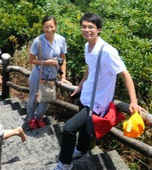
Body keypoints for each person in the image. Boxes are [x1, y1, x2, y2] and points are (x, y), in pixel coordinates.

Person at [53, 13, 142, 170]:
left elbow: (125, 74)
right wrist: (80, 85)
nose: (86, 30)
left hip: (97, 102)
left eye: (91, 27)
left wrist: (133, 101)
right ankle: (81, 151)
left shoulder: (108, 51)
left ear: (99, 29)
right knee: (84, 129)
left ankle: (65, 163)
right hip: (86, 95)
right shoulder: (87, 46)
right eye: (84, 26)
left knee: (69, 128)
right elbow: (90, 67)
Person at [26, 15, 67, 130]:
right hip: (38, 74)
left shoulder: (61, 40)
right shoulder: (38, 41)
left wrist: (63, 75)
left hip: (52, 76)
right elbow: (31, 60)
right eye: (46, 27)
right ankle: (30, 118)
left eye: (51, 27)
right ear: (42, 27)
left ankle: (39, 117)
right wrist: (46, 62)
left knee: (46, 97)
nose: (49, 30)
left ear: (56, 26)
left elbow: (63, 59)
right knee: (33, 97)